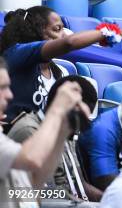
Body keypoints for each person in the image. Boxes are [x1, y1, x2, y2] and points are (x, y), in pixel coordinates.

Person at [0, 6, 122, 125]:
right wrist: (108, 33)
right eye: (57, 29)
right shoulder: (17, 53)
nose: (64, 34)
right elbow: (70, 42)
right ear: (36, 31)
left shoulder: (57, 71)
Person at [0, 57, 91, 207]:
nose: (9, 95)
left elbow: (32, 189)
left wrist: (63, 131)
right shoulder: (29, 130)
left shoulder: (60, 130)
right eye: (2, 88)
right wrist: (57, 109)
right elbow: (33, 161)